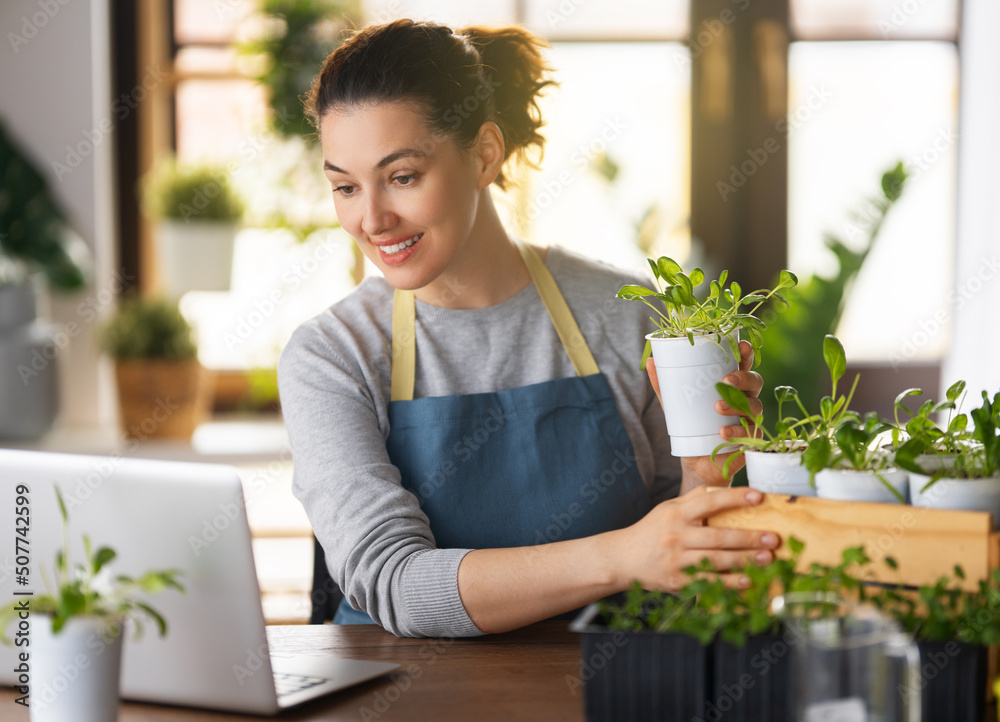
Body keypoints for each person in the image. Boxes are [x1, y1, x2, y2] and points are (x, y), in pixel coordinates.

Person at [277, 18, 779, 639]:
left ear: (485, 153)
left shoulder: (629, 317)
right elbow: (395, 584)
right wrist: (622, 556)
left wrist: (705, 477)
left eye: (402, 176)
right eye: (345, 187)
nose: (372, 219)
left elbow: (686, 567)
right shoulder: (332, 355)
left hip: (609, 687)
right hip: (403, 694)